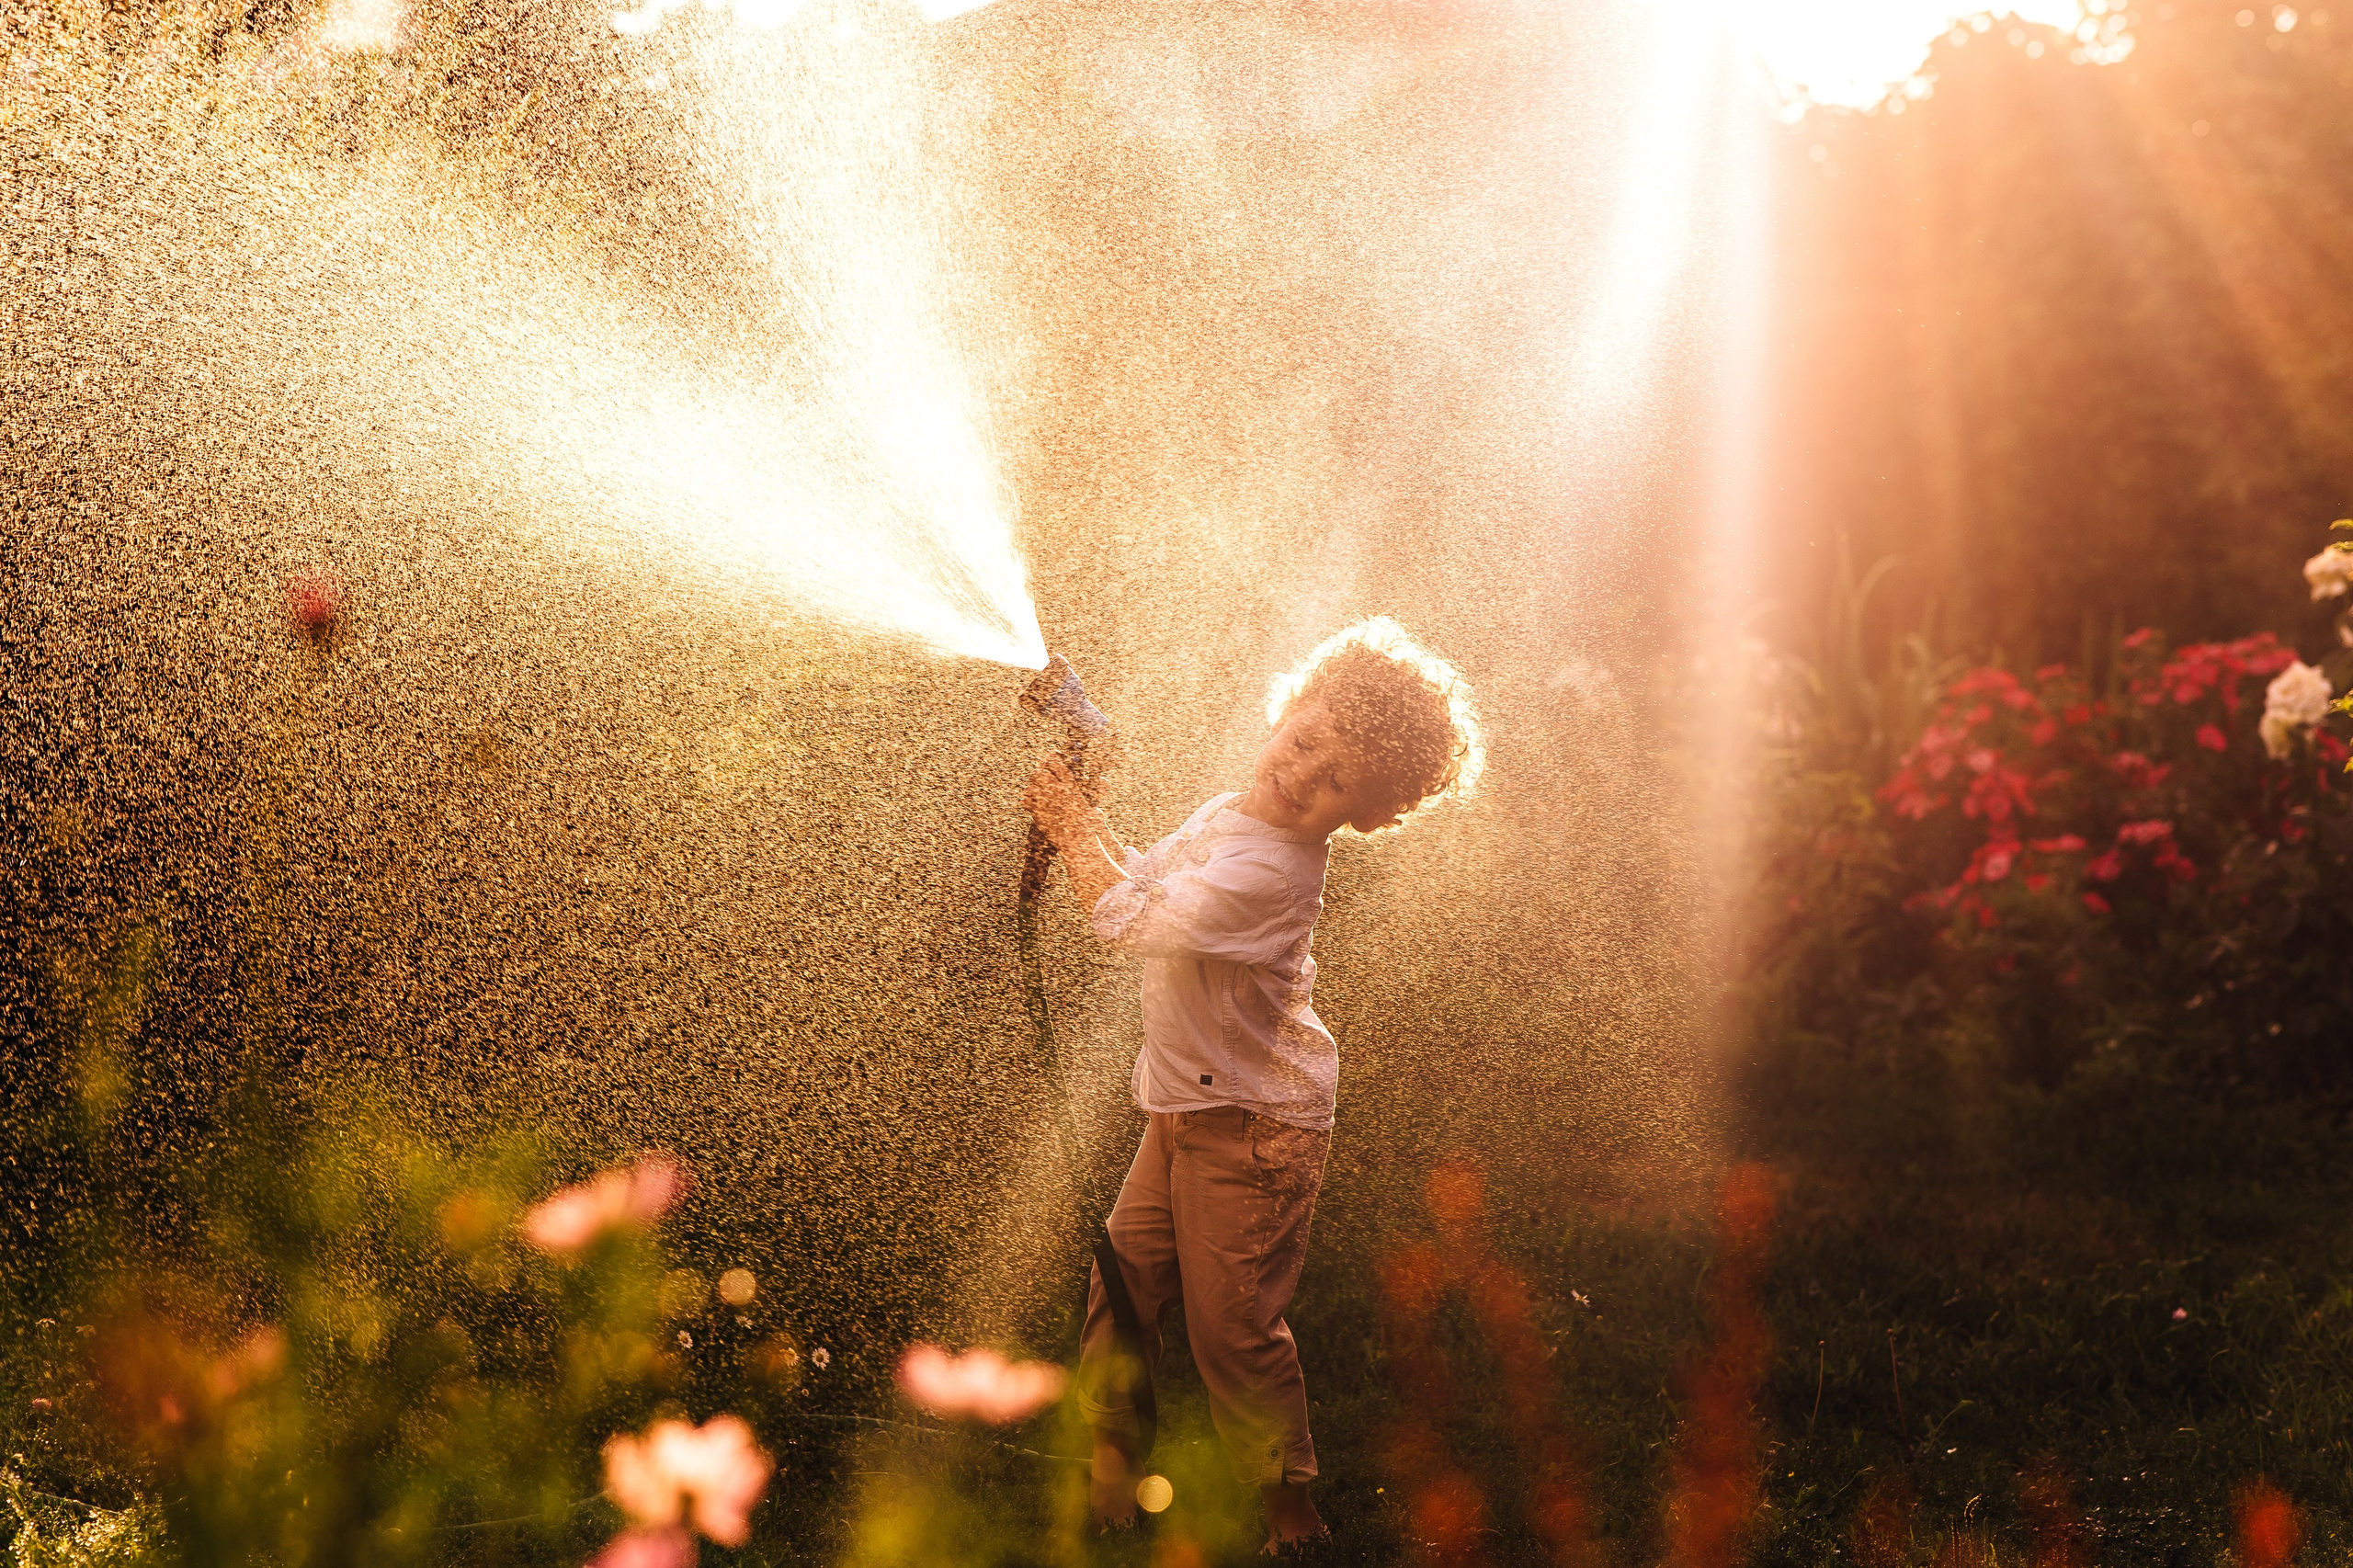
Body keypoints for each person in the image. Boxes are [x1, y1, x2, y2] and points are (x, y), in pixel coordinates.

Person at [1022, 617, 1483, 1552]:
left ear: (1372, 814)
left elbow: (1128, 919)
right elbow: (1144, 878)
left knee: (1230, 1326)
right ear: (1285, 711)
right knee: (1122, 1278)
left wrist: (1072, 825)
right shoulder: (1234, 813)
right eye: (1305, 740)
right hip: (1185, 1107)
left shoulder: (1275, 874)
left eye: (1338, 781)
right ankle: (1113, 1470)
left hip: (1254, 1130)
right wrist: (1092, 820)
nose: (1302, 774)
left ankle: (1289, 1508)